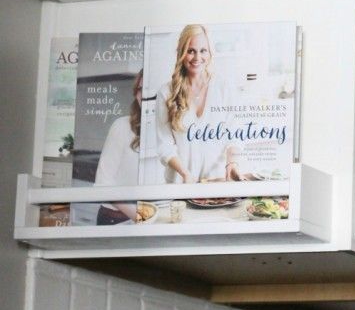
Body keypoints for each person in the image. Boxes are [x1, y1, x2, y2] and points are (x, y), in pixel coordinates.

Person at [155, 24, 243, 184]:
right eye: (190, 51)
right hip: (180, 184)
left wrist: (232, 163)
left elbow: (235, 134)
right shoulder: (166, 93)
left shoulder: (224, 88)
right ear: (181, 53)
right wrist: (186, 174)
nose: (197, 58)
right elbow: (165, 146)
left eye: (203, 50)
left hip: (217, 182)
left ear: (210, 53)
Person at [94, 69, 142, 225]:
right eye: (140, 89)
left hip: (148, 219)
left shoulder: (166, 131)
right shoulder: (121, 126)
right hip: (115, 218)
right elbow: (103, 183)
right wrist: (139, 216)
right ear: (136, 94)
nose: (145, 96)